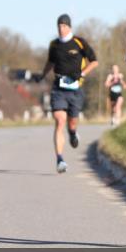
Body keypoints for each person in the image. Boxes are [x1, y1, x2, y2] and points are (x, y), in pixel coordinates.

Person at [36, 14, 98, 173]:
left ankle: (72, 133)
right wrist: (42, 75)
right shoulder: (54, 45)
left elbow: (94, 61)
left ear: (69, 27)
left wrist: (82, 73)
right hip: (59, 88)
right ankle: (60, 159)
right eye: (59, 26)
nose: (61, 29)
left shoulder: (79, 42)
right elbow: (50, 62)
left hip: (76, 89)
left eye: (64, 26)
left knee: (71, 122)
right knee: (60, 120)